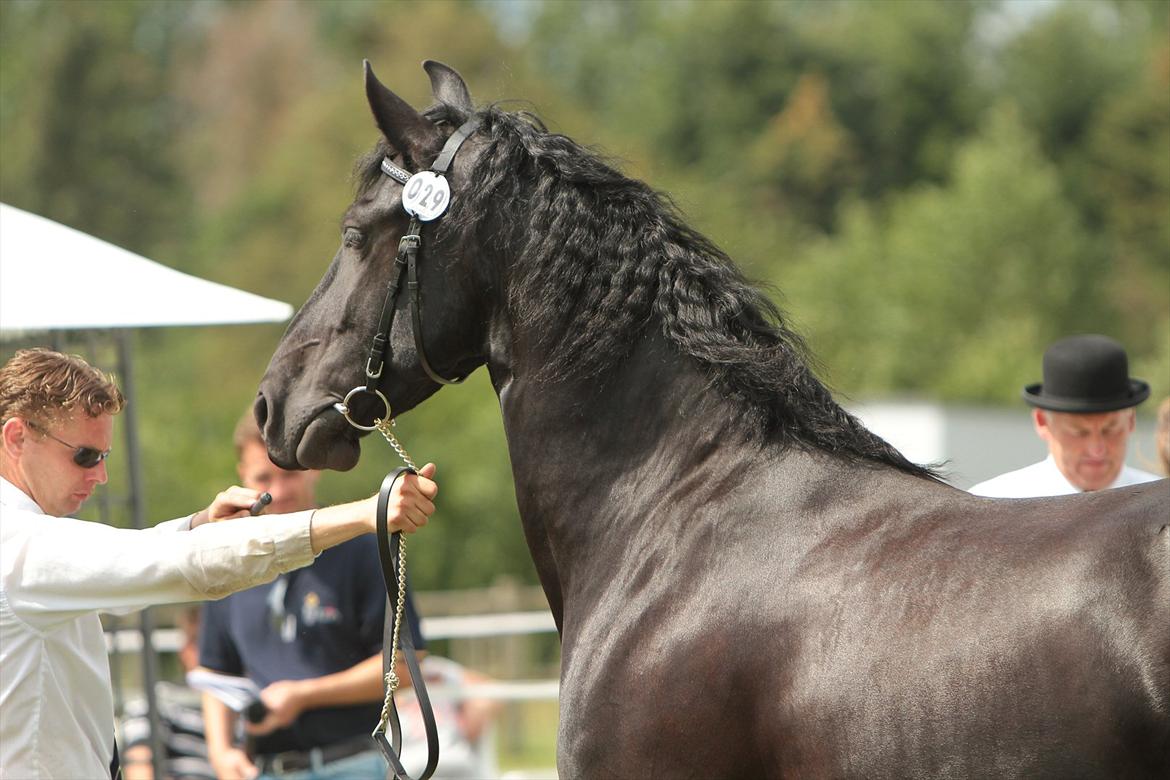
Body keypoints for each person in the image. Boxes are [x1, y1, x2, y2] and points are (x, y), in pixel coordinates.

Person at [0, 348, 438, 778]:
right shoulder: (20, 544)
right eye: (85, 456)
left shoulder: (26, 541)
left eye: (104, 457)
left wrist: (201, 524)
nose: (100, 476)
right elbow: (189, 566)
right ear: (17, 437)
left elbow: (140, 558)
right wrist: (368, 514)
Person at [198, 412, 427, 780]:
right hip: (263, 770)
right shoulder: (230, 558)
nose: (279, 490)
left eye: (289, 473)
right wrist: (221, 752)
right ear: (242, 474)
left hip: (351, 764)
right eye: (263, 478)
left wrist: (304, 695)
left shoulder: (362, 550)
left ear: (314, 468)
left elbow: (402, 664)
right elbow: (214, 673)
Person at [969, 334, 1162, 497]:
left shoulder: (1160, 505)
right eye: (1079, 432)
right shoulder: (996, 504)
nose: (1097, 449)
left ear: (1130, 421)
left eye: (1110, 429)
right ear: (1042, 422)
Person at [121, 607, 215, 780]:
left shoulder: (244, 702)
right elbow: (139, 764)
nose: (213, 653)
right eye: (200, 642)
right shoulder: (160, 699)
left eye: (221, 643)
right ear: (185, 650)